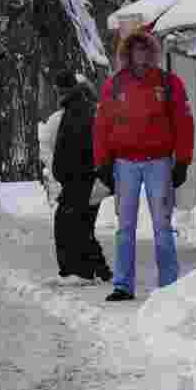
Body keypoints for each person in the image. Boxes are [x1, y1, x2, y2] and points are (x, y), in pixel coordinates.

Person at [93, 27, 195, 302]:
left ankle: (169, 285)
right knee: (124, 227)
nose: (140, 54)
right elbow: (102, 125)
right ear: (128, 52)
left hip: (159, 163)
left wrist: (183, 160)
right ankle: (123, 285)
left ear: (151, 52)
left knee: (162, 226)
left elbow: (183, 122)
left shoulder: (168, 83)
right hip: (125, 163)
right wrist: (102, 161)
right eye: (135, 49)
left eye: (144, 48)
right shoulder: (114, 85)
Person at [50, 71, 112, 282]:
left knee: (69, 226)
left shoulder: (77, 110)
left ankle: (77, 271)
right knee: (81, 226)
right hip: (82, 177)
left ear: (62, 89)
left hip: (80, 179)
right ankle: (97, 270)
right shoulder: (78, 108)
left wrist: (69, 173)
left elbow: (76, 147)